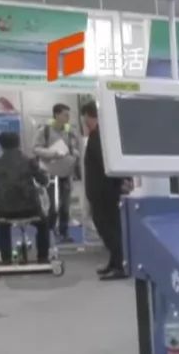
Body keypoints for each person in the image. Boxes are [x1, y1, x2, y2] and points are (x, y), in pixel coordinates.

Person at [82, 101, 129, 280]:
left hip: (103, 192)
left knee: (108, 229)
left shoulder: (97, 136)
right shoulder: (105, 134)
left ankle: (120, 266)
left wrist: (121, 181)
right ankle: (115, 262)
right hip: (105, 191)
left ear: (88, 116)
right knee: (110, 228)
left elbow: (106, 164)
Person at [0, 131, 50, 264]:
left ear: (1, 145)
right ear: (18, 144)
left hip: (4, 210)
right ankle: (43, 257)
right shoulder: (29, 161)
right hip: (30, 209)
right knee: (43, 224)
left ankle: (6, 259)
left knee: (3, 225)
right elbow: (43, 181)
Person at [33, 103, 81, 242]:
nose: (68, 117)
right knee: (52, 207)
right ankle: (48, 234)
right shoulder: (45, 130)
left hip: (65, 173)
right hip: (49, 173)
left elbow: (74, 148)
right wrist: (52, 153)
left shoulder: (69, 131)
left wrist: (74, 152)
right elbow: (36, 149)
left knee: (65, 206)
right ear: (57, 115)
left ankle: (63, 233)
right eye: (65, 114)